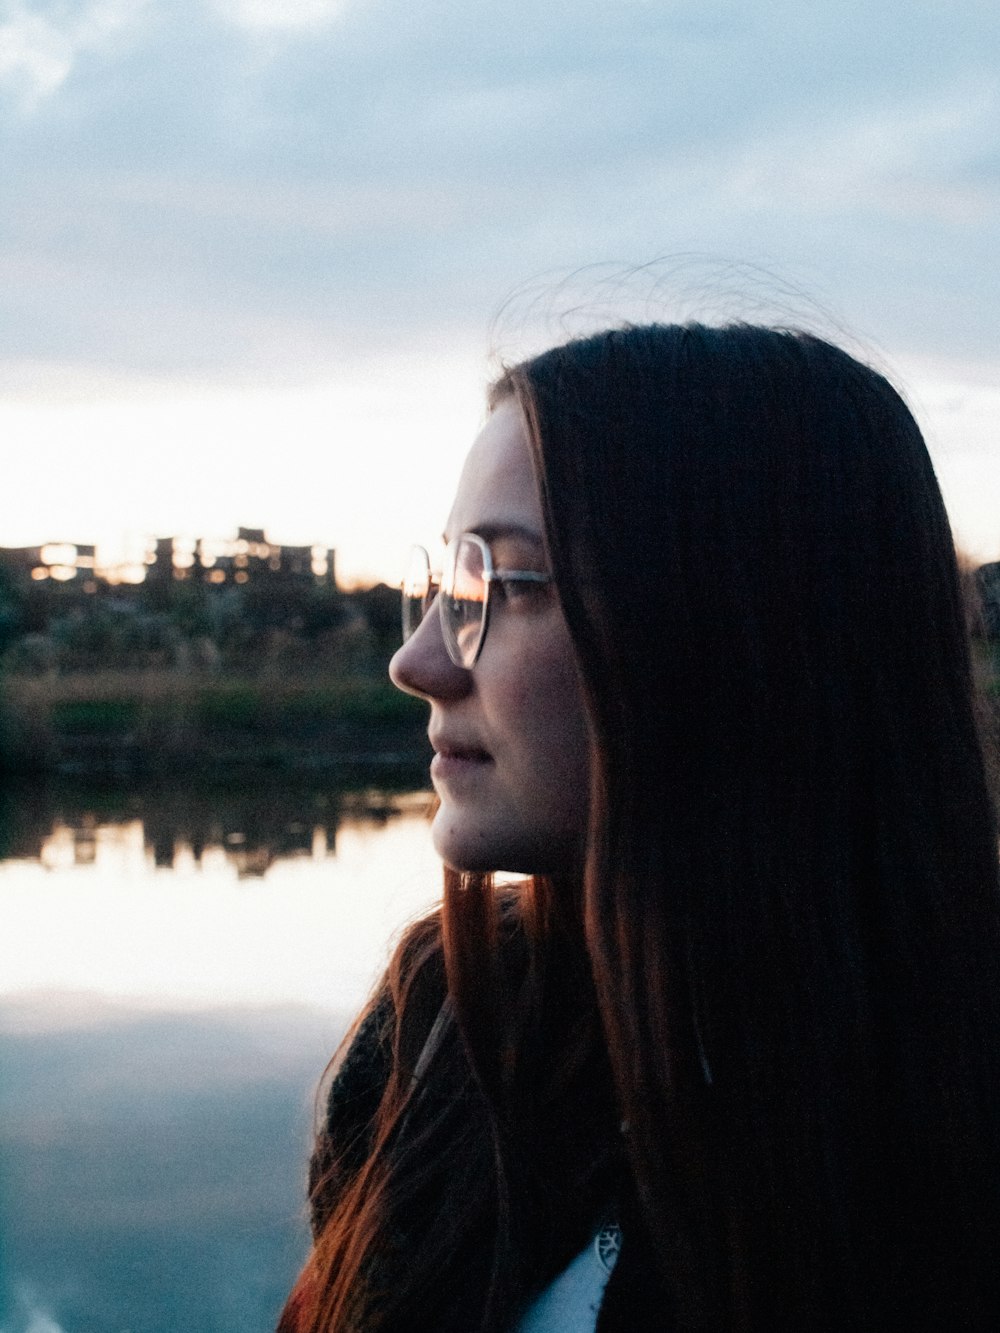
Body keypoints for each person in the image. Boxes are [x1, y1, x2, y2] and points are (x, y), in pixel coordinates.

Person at [278, 323, 1000, 1332]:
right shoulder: (451, 1021)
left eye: (504, 585)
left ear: (738, 626)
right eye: (451, 578)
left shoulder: (956, 1097)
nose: (419, 661)